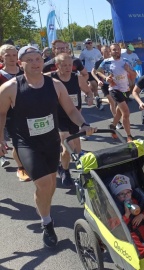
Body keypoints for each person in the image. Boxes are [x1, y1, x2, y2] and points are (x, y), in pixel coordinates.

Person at [0, 46, 96, 247]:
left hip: (51, 142)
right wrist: (1, 138)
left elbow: (70, 110)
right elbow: (1, 114)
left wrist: (83, 124)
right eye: (30, 60)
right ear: (20, 63)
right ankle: (47, 222)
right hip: (27, 144)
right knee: (44, 184)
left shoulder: (55, 85)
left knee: (51, 185)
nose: (35, 63)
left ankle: (44, 208)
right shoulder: (10, 87)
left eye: (38, 59)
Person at [46, 53, 93, 187]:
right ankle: (65, 171)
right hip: (57, 116)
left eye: (69, 65)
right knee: (67, 145)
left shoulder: (77, 78)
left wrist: (89, 97)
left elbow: (88, 91)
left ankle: (70, 167)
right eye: (64, 65)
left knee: (76, 145)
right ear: (57, 66)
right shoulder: (50, 78)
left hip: (74, 115)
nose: (68, 68)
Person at [96, 43, 137, 142]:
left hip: (126, 89)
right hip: (114, 89)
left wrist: (129, 70)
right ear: (110, 52)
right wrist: (106, 78)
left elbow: (134, 74)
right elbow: (98, 71)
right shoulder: (107, 62)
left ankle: (112, 126)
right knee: (126, 113)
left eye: (118, 49)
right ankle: (129, 136)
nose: (117, 51)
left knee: (119, 112)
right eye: (114, 50)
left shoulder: (125, 61)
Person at [0, 44, 27, 180]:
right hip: (9, 115)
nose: (12, 58)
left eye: (14, 55)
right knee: (17, 142)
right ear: (1, 58)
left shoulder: (25, 71)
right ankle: (21, 167)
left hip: (30, 112)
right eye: (8, 55)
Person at [79, 38, 103, 110]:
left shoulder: (96, 51)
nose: (90, 44)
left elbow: (101, 59)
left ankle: (87, 93)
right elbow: (80, 60)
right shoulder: (84, 52)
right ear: (85, 44)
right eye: (88, 43)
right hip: (88, 72)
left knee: (92, 88)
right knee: (95, 87)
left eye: (91, 42)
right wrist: (82, 70)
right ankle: (99, 103)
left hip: (96, 71)